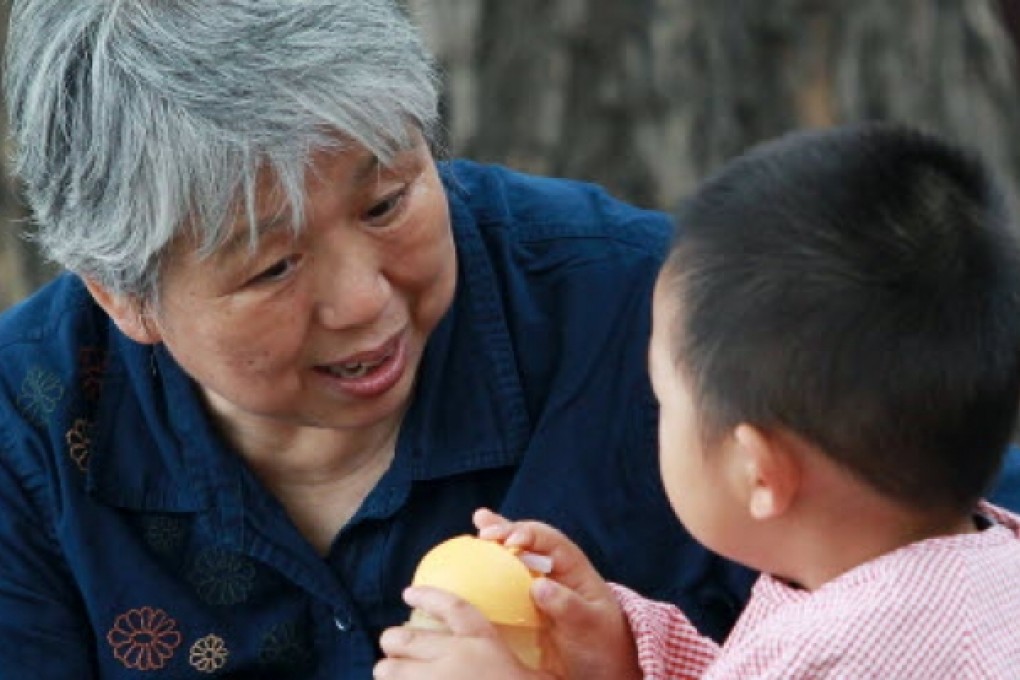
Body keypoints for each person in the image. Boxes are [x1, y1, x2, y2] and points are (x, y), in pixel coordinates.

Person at [0, 1, 761, 677]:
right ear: (124, 298)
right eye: (275, 266)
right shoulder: (26, 437)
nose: (364, 301)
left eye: (385, 204)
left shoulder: (656, 318)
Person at [375, 124, 1020, 679]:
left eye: (664, 400)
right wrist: (625, 652)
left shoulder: (844, 655)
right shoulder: (976, 573)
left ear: (758, 470)